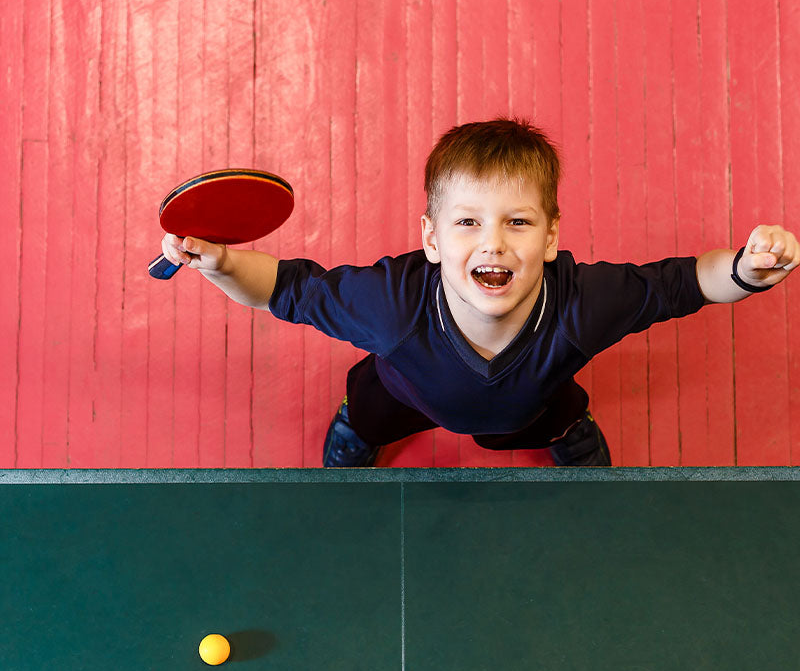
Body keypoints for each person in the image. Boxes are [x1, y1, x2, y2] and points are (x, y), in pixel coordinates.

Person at [159, 118, 799, 467]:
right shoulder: (390, 305)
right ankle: (360, 429)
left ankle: (566, 429)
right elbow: (283, 288)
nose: (492, 243)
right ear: (431, 240)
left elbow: (683, 283)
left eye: (517, 222)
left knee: (553, 417)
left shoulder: (583, 304)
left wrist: (744, 270)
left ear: (550, 238)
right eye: (467, 222)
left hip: (531, 403)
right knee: (372, 411)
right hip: (404, 392)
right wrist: (219, 264)